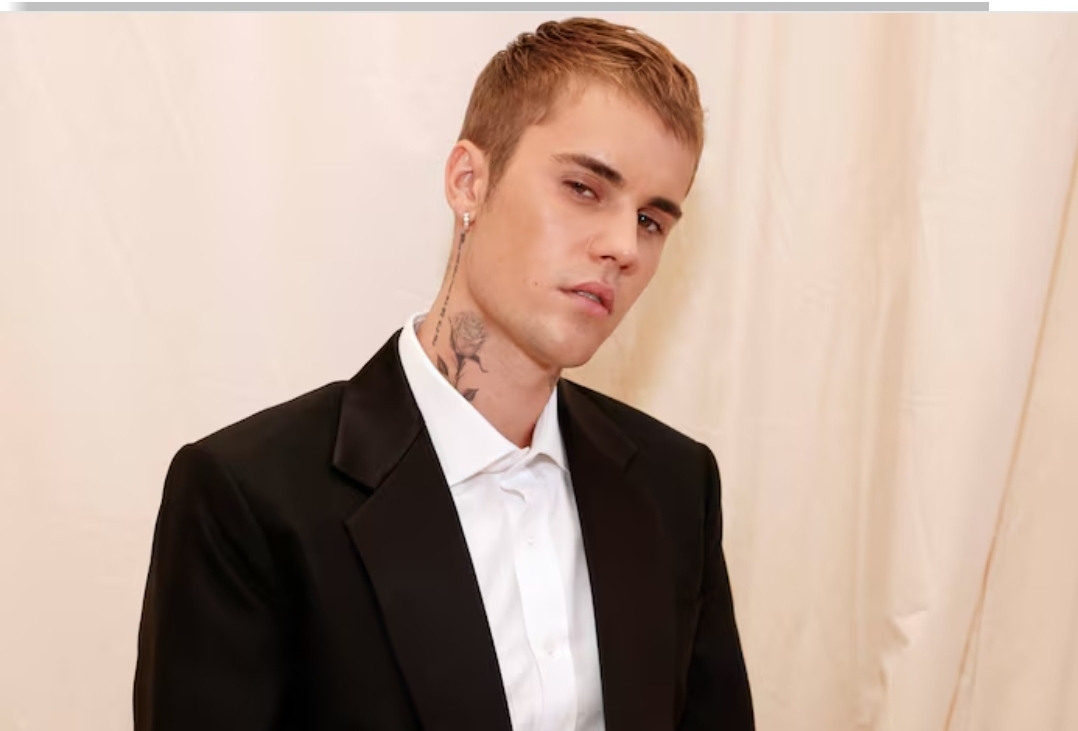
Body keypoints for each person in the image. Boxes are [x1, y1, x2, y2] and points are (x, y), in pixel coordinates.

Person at [133, 17, 754, 731]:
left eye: (651, 221)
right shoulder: (249, 498)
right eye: (584, 187)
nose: (623, 247)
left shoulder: (678, 486)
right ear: (469, 181)